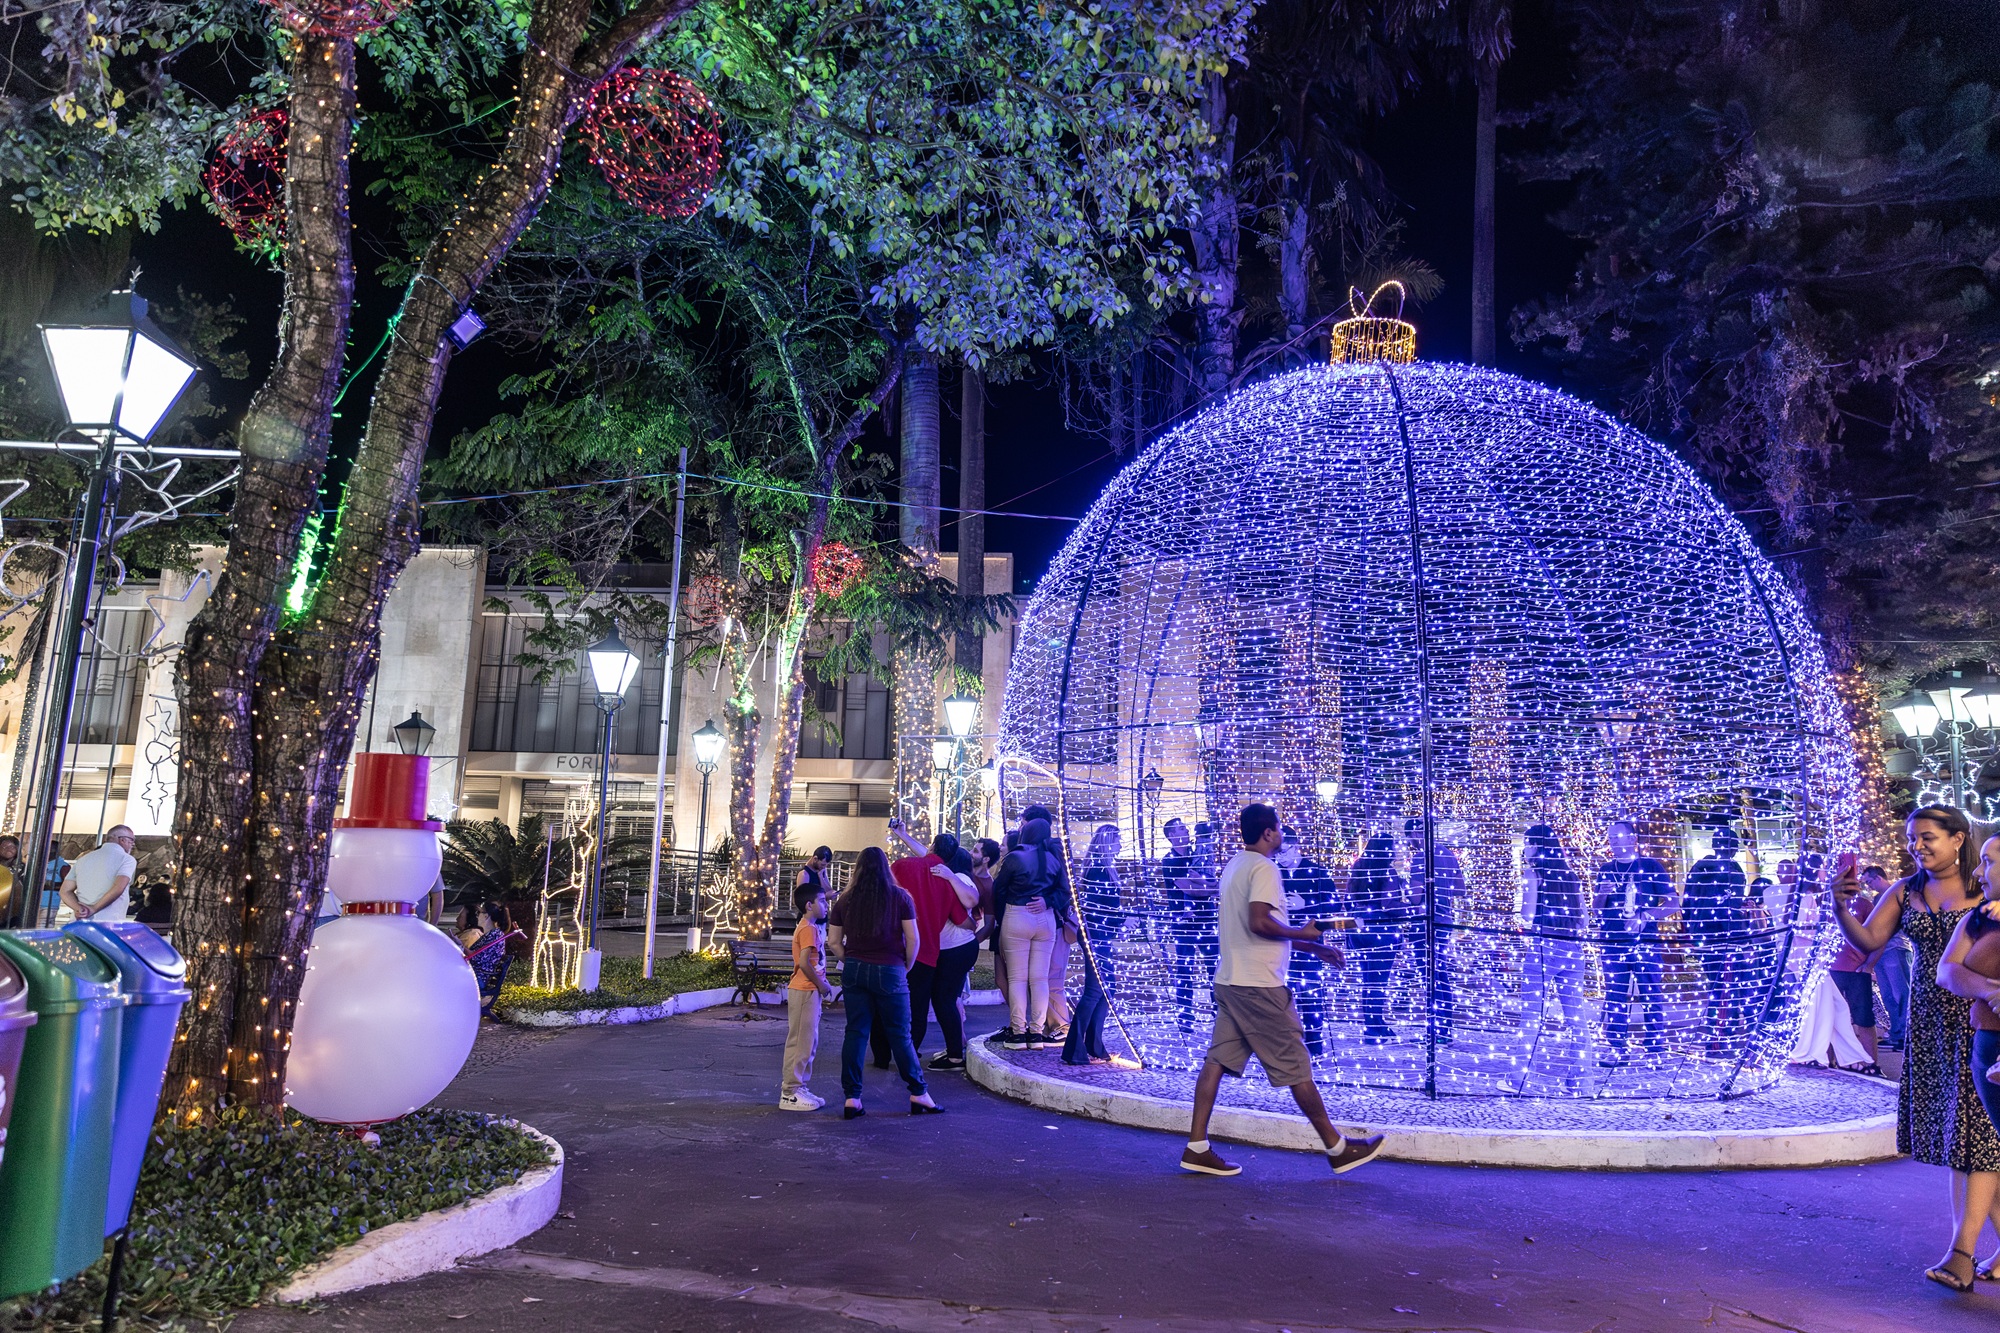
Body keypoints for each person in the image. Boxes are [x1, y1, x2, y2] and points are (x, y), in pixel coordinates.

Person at [1834, 806, 2000, 1292]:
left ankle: (1961, 1251)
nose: (1917, 846)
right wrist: (1841, 906)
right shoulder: (1906, 891)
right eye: (1912, 838)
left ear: (1957, 839)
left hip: (1977, 1021)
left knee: (1978, 1142)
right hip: (1930, 1022)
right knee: (1962, 1143)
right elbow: (1868, 943)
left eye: (1927, 837)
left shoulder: (1985, 893)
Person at [1180, 803, 1383, 1177]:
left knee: (1217, 1061)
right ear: (1269, 833)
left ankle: (1197, 1147)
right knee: (1296, 1063)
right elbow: (1260, 923)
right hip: (1259, 987)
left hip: (1231, 980)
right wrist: (1303, 932)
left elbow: (1256, 927)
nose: (1283, 833)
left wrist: (1312, 946)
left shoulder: (1235, 866)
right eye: (1279, 828)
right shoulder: (1263, 868)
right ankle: (1338, 1148)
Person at [825, 845, 940, 1118]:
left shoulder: (845, 900)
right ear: (886, 867)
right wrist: (906, 966)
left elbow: (833, 942)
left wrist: (850, 958)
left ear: (858, 869)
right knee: (900, 1033)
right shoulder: (901, 897)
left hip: (854, 969)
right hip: (890, 969)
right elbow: (913, 939)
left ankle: (852, 1099)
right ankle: (919, 1093)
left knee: (856, 1032)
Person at [1939, 835, 2000, 1285]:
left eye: (1987, 862)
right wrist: (1990, 990)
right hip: (1988, 1045)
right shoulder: (1981, 919)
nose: (1978, 873)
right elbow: (1949, 969)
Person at [886, 821, 980, 1071]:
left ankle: (954, 1056)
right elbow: (928, 857)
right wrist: (903, 835)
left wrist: (972, 925)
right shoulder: (939, 874)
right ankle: (953, 1053)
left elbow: (970, 902)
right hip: (940, 950)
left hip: (952, 949)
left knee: (942, 1001)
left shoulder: (953, 877)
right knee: (939, 1000)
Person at [1595, 820, 1674, 1066]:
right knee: (1615, 995)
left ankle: (1655, 1048)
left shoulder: (1651, 866)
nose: (1614, 842)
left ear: (1632, 839)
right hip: (1613, 942)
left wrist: (1647, 916)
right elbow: (1598, 910)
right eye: (1611, 837)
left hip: (1645, 943)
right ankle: (1617, 1047)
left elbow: (1673, 903)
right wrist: (1602, 894)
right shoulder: (1606, 869)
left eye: (1618, 836)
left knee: (1651, 994)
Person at [991, 817, 1073, 1049]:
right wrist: (1047, 901)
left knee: (1017, 978)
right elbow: (1065, 891)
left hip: (1017, 914)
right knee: (1040, 979)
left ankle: (1018, 1033)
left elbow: (999, 890)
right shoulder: (1052, 858)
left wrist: (1002, 916)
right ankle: (1036, 1034)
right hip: (1045, 919)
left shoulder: (1015, 857)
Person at [1518, 824, 1588, 1053]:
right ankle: (1581, 1080)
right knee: (1576, 1018)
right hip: (1572, 948)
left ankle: (1519, 1079)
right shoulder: (1571, 876)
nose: (1525, 849)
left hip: (1543, 947)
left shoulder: (1534, 873)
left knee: (1531, 1013)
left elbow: (1527, 914)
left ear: (1538, 846)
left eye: (1528, 844)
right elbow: (1584, 920)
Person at [1684, 824, 1749, 1047]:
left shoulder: (1699, 867)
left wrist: (1690, 929)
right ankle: (1723, 1027)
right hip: (1725, 934)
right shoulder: (1733, 870)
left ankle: (1716, 1025)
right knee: (1727, 981)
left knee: (1715, 981)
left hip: (1703, 933)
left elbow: (1687, 901)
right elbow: (1734, 903)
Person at [1063, 824, 1123, 1065]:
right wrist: (1122, 918)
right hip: (1096, 935)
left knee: (1106, 991)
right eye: (1117, 840)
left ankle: (1093, 1044)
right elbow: (1098, 909)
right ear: (1108, 842)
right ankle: (1075, 1049)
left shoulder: (1103, 869)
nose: (1120, 845)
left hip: (1100, 935)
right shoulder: (1099, 871)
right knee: (1095, 991)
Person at [1277, 829, 1340, 1057]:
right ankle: (1290, 1047)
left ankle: (1314, 1046)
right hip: (1282, 945)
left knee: (1311, 997)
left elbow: (1334, 907)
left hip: (1312, 947)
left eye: (1283, 852)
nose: (1280, 857)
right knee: (1284, 999)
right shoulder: (1275, 873)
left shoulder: (1317, 872)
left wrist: (1307, 906)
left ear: (1295, 847)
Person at [780, 877, 835, 1111]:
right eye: (822, 901)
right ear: (809, 905)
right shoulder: (809, 929)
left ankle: (798, 1086)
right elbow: (804, 962)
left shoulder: (808, 927)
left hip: (807, 990)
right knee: (802, 1041)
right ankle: (790, 1092)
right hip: (805, 990)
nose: (826, 905)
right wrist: (821, 985)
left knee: (807, 1040)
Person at [1160, 817, 1218, 1030]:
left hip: (1207, 919)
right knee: (1185, 970)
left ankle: (1218, 1013)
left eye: (1185, 828)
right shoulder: (1170, 861)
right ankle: (1186, 1018)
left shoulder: (1198, 854)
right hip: (1184, 923)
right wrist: (1208, 886)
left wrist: (1206, 884)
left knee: (1215, 968)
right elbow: (1189, 888)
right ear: (1172, 836)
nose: (1186, 831)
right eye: (1181, 829)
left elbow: (1212, 881)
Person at [1348, 832, 1404, 1043]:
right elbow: (1388, 904)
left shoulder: (1358, 867)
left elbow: (1349, 897)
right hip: (1381, 930)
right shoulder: (1387, 871)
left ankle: (1374, 1023)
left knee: (1368, 978)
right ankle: (1373, 1028)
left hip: (1359, 927)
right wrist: (1412, 909)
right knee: (1379, 980)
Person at [1826, 881, 1882, 1074]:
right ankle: (1829, 1062)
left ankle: (1872, 1064)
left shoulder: (1864, 905)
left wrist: (1869, 965)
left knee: (1864, 1018)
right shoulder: (1825, 902)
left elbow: (1880, 937)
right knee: (1829, 1018)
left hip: (1857, 970)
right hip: (1830, 970)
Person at [1864, 863, 1915, 1051]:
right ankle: (1896, 1033)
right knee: (1887, 994)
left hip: (1896, 948)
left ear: (1878, 877)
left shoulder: (1899, 892)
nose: (1868, 887)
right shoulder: (1878, 899)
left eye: (1869, 882)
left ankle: (1905, 1034)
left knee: (1901, 991)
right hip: (1881, 950)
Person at [59, 826, 137, 923]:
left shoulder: (83, 859)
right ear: (122, 840)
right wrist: (94, 908)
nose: (132, 844)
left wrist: (80, 909)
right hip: (109, 921)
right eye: (131, 840)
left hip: (79, 921)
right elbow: (119, 887)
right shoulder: (126, 859)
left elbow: (65, 891)